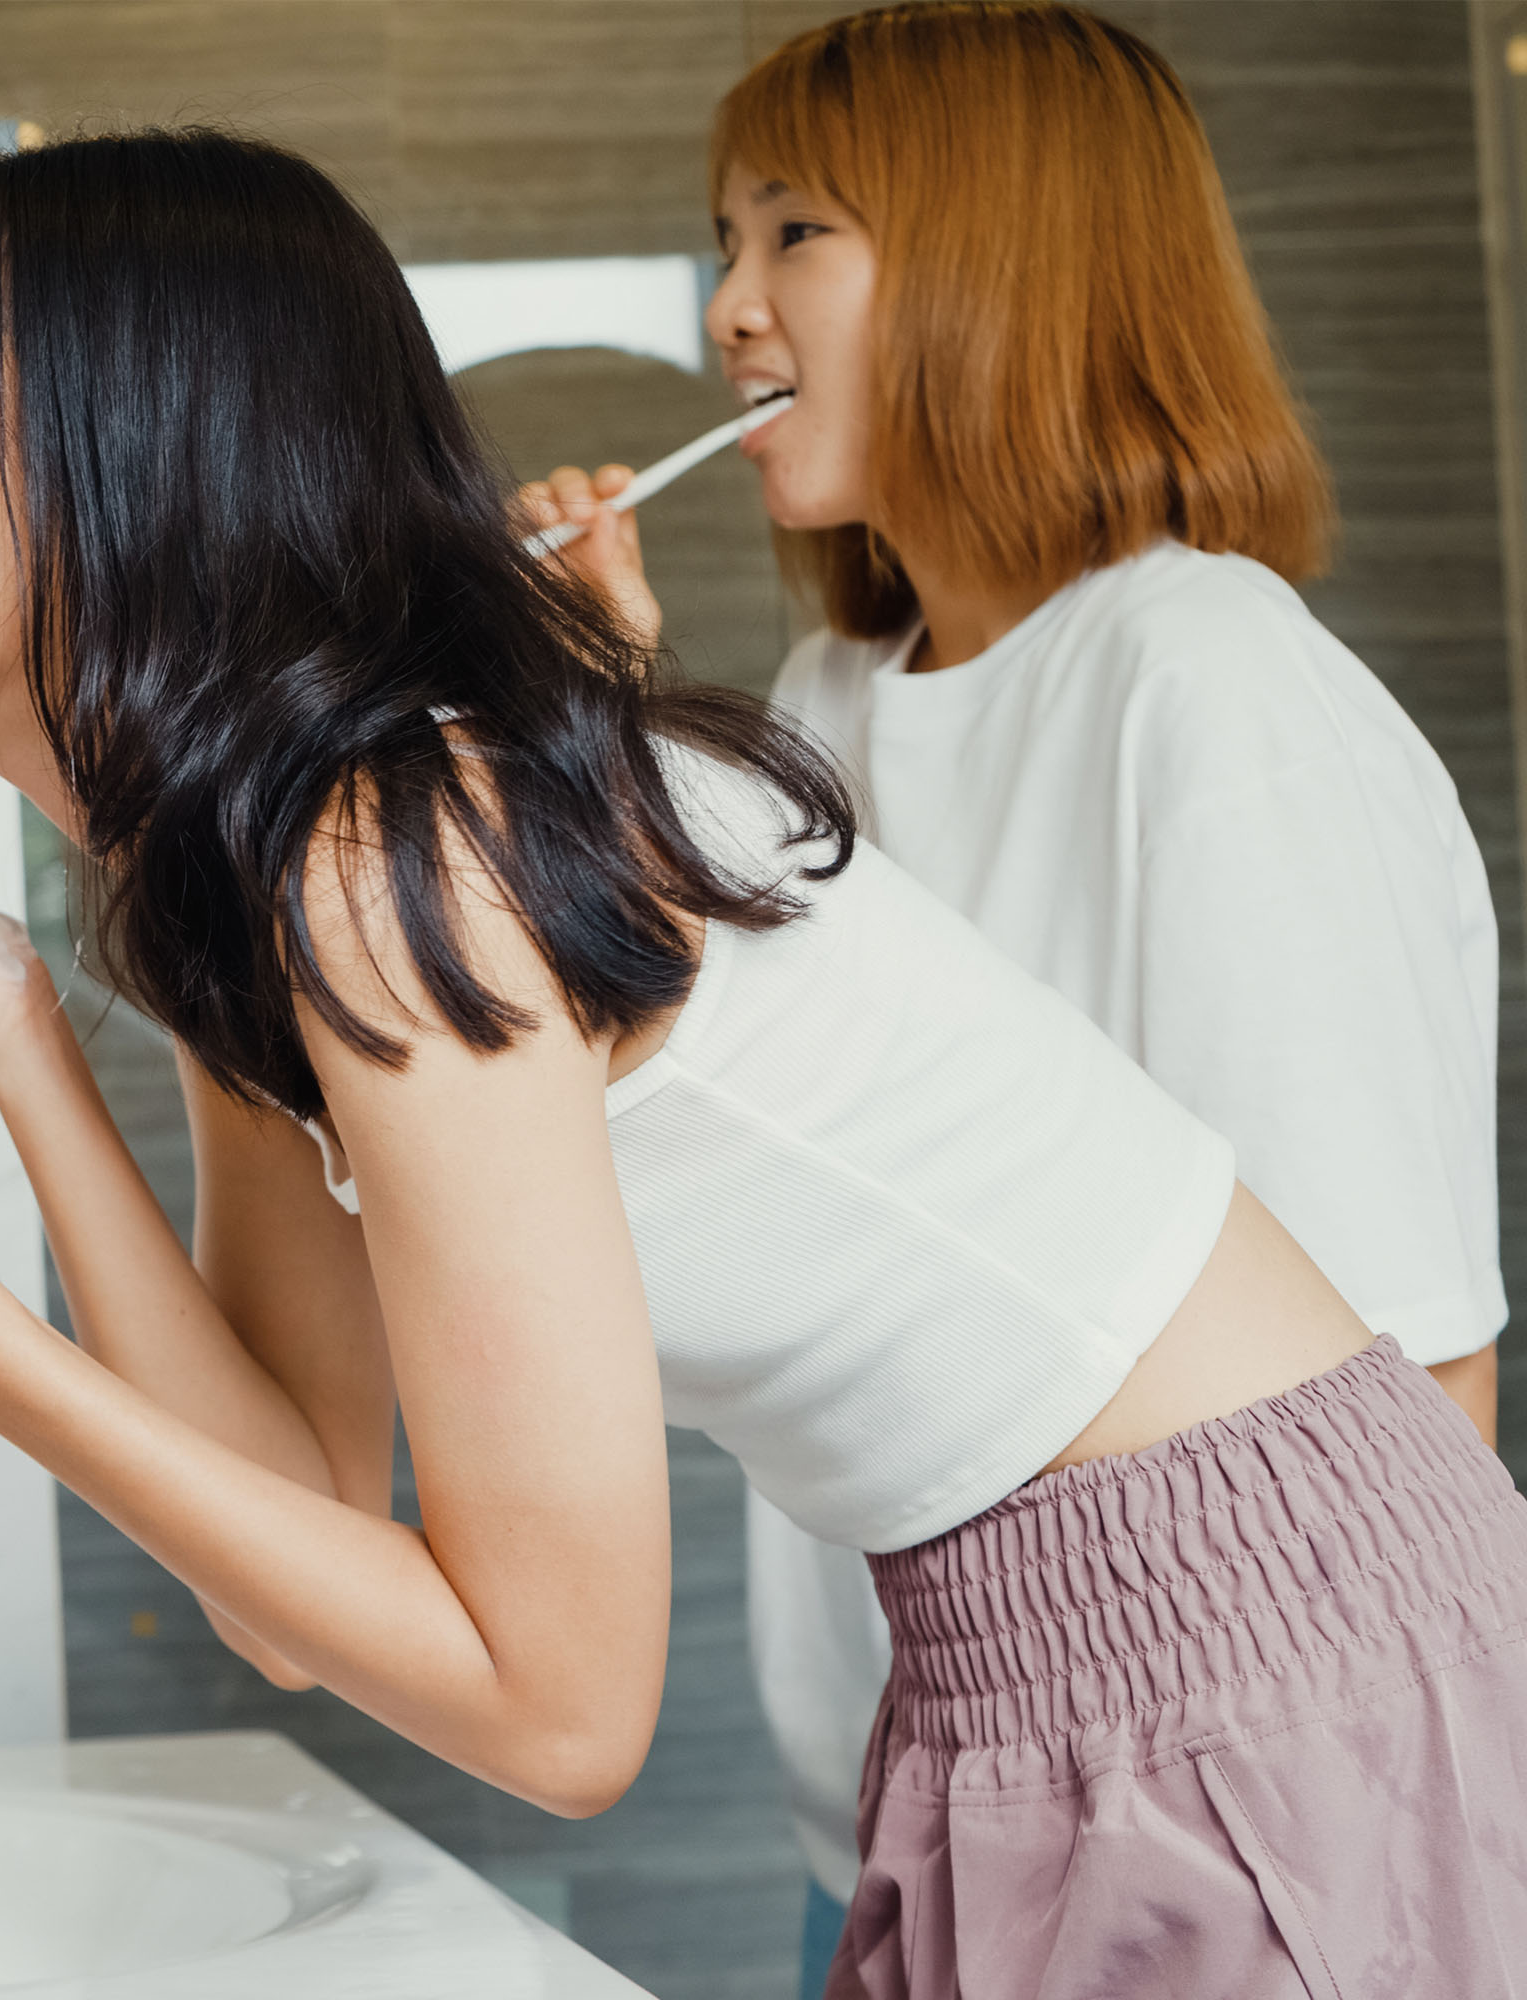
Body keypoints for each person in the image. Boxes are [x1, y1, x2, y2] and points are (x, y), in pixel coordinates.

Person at [0, 126, 1527, 1999]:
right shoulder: (267, 859)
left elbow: (563, 1716)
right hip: (1026, 1656)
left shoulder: (392, 850)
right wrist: (14, 1034)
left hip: (1257, 1656)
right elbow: (291, 1560)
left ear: (112, 461)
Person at [524, 7, 1511, 1992]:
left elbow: (1404, 1401)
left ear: (1011, 265)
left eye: (796, 232)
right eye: (727, 237)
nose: (730, 306)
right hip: (918, 1799)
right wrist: (586, 714)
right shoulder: (818, 713)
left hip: (1216, 1825)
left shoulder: (1206, 690)